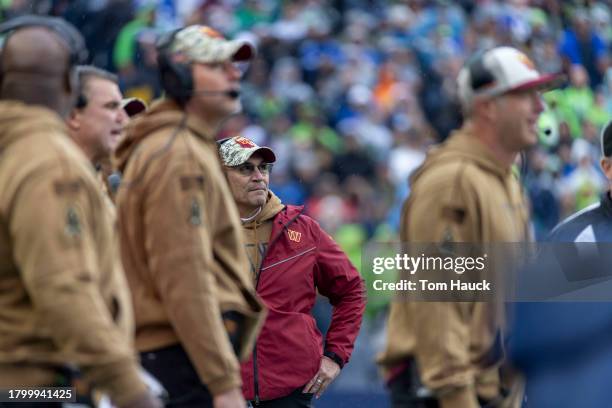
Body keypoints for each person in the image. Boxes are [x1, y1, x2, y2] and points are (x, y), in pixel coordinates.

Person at [377, 46, 559, 408]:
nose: (540, 108)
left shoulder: (504, 178)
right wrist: (459, 398)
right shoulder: (452, 181)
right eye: (525, 95)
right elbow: (438, 308)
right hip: (446, 396)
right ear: (487, 107)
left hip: (490, 391)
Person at [0, 15, 160, 408]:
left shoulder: (15, 151)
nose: (123, 119)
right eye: (110, 107)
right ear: (68, 90)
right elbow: (64, 288)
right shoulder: (48, 162)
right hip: (37, 385)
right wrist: (130, 389)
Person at [114, 25, 266, 408]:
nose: (234, 73)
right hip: (179, 362)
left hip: (177, 356)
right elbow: (184, 276)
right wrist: (222, 382)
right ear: (181, 73)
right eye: (217, 65)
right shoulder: (179, 155)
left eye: (234, 65)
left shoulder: (180, 146)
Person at [217, 136, 365, 407]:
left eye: (263, 168)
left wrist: (335, 356)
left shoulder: (303, 230)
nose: (258, 176)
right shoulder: (196, 233)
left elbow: (352, 289)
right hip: (217, 386)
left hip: (288, 391)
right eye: (245, 169)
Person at [549, 121, 612, 242]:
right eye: (583, 158)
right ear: (607, 167)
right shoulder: (569, 238)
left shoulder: (594, 175)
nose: (586, 160)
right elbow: (566, 199)